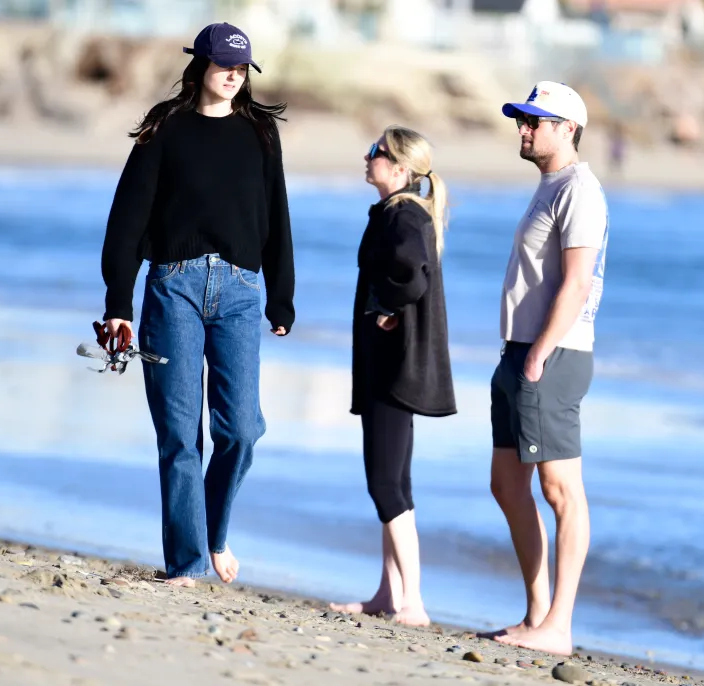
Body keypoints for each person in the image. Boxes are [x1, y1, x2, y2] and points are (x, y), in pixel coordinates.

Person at [97, 23, 294, 588]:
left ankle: (214, 531)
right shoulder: (165, 129)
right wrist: (119, 303)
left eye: (242, 69)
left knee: (242, 431)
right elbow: (127, 223)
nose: (234, 76)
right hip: (173, 287)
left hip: (241, 290)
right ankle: (185, 563)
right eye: (224, 65)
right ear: (200, 66)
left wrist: (282, 295)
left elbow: (276, 214)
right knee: (181, 435)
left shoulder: (260, 133)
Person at [486, 81, 609, 654]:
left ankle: (558, 625)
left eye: (536, 121)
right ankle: (537, 614)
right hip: (521, 351)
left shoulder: (581, 190)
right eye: (522, 119)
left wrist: (538, 354)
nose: (524, 128)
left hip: (552, 355)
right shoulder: (548, 186)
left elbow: (578, 282)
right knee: (507, 483)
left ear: (568, 129)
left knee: (562, 490)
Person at [329, 126, 456, 626]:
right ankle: (389, 592)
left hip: (395, 367)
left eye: (376, 153)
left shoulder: (403, 214)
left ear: (400, 169)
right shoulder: (399, 211)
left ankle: (414, 602)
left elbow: (412, 271)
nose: (367, 157)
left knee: (387, 484)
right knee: (392, 481)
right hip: (390, 364)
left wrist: (387, 305)